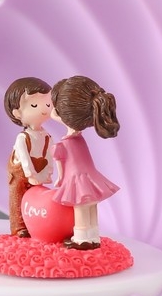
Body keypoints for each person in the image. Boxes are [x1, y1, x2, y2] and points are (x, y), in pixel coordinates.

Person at [50, 75, 120, 249]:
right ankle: (93, 235)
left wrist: (59, 179)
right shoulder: (79, 139)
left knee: (80, 208)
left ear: (60, 113)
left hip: (76, 180)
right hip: (90, 177)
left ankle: (82, 238)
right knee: (91, 206)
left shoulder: (63, 144)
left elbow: (60, 167)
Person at [4, 77, 54, 237]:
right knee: (17, 198)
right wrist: (31, 175)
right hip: (19, 173)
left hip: (38, 171)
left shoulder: (47, 136)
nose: (44, 109)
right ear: (17, 113)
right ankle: (18, 227)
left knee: (34, 199)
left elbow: (50, 156)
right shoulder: (23, 138)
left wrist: (47, 173)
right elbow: (25, 160)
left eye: (48, 104)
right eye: (34, 105)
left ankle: (34, 225)